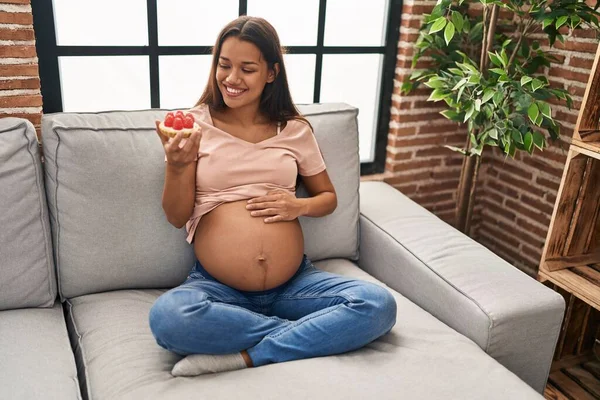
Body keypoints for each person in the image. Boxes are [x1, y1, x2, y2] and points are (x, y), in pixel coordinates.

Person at [148, 15, 397, 377]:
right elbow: (176, 216)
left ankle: (248, 355)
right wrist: (177, 164)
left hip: (295, 285)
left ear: (271, 73)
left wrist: (297, 205)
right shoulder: (194, 127)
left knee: (378, 305)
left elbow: (327, 198)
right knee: (169, 319)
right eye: (224, 65)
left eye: (247, 69)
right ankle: (312, 333)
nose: (232, 79)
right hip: (218, 288)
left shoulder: (294, 130)